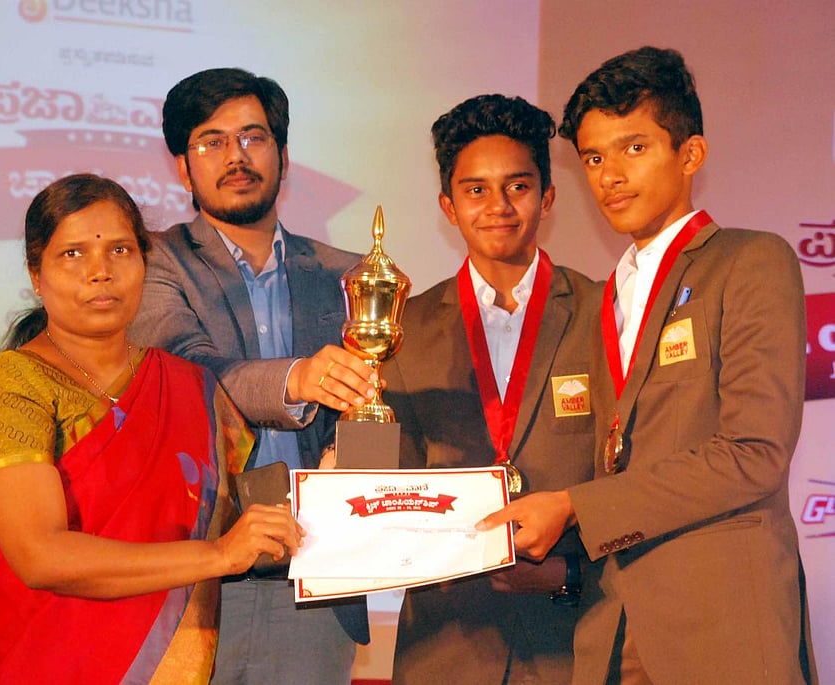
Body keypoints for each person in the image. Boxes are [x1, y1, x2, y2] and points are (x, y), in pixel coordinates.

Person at [478, 47, 818, 684]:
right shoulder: (604, 294)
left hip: (722, 623)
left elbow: (753, 452)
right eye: (595, 158)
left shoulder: (750, 262)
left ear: (690, 154)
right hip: (610, 628)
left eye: (634, 148)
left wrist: (575, 506)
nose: (610, 176)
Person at [0, 174, 303, 684]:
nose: (100, 272)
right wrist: (219, 555)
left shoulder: (192, 387)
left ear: (144, 262)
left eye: (120, 249)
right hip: (34, 660)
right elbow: (40, 556)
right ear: (36, 274)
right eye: (73, 254)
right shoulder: (10, 384)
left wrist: (329, 495)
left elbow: (228, 518)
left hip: (164, 662)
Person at [129, 68, 372, 685]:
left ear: (283, 157)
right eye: (211, 141)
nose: (235, 157)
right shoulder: (153, 261)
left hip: (319, 580)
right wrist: (299, 379)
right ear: (182, 167)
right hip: (195, 580)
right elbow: (190, 371)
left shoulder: (355, 276)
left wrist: (357, 446)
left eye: (253, 138)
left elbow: (381, 414)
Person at [381, 94, 601, 684]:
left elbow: (634, 477)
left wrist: (566, 573)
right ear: (448, 207)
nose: (498, 207)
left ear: (548, 197)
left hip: (574, 638)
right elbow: (388, 488)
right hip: (446, 646)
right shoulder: (400, 330)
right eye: (476, 190)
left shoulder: (606, 313)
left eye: (518, 186)